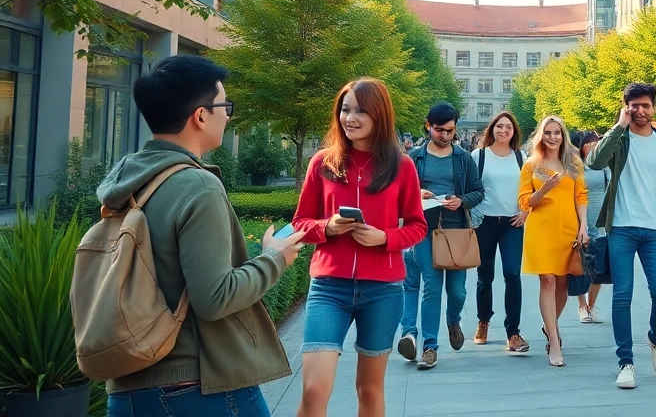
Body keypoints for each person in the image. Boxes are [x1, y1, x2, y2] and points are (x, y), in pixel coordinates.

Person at [97, 55, 302, 417]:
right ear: (201, 115)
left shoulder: (131, 181)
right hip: (196, 388)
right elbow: (215, 297)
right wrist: (275, 257)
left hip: (128, 390)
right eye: (225, 105)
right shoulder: (198, 185)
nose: (227, 115)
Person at [292, 78, 428, 417]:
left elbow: (417, 226)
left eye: (360, 111)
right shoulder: (322, 163)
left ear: (379, 116)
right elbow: (299, 223)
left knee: (369, 389)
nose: (349, 118)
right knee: (313, 390)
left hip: (382, 290)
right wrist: (327, 227)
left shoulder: (402, 165)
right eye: (345, 109)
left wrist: (386, 238)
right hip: (329, 288)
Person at [589, 82, 656, 390]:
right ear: (626, 106)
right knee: (622, 296)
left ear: (654, 107)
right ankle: (625, 362)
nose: (640, 111)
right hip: (622, 227)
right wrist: (619, 126)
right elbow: (595, 161)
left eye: (645, 105)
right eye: (634, 106)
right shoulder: (619, 139)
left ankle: (655, 338)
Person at [397, 102, 484, 370]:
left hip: (456, 228)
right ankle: (430, 347)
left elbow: (478, 191)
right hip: (423, 229)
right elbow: (399, 196)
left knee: (457, 291)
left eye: (449, 130)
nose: (445, 136)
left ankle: (453, 319)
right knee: (432, 288)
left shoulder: (463, 158)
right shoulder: (414, 158)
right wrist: (417, 194)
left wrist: (462, 201)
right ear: (428, 126)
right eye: (439, 130)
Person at [518, 116, 589, 367]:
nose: (552, 137)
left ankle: (550, 325)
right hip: (540, 229)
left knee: (563, 284)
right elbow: (525, 202)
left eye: (557, 133)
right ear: (540, 135)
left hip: (568, 227)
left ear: (563, 135)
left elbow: (581, 196)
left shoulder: (574, 162)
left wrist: (584, 226)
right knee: (547, 281)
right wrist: (544, 189)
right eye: (547, 132)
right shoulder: (531, 165)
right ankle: (555, 342)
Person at [472, 111, 530, 353]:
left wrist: (525, 212)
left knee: (512, 275)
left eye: (508, 127)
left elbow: (530, 189)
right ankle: (483, 321)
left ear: (514, 131)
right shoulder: (479, 156)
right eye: (499, 126)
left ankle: (513, 332)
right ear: (492, 129)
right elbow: (471, 188)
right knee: (485, 277)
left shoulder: (521, 157)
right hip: (485, 222)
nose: (504, 130)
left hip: (512, 224)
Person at [575, 130, 608, 323]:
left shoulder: (603, 165)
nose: (594, 146)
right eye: (590, 143)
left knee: (598, 267)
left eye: (597, 143)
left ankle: (591, 305)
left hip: (601, 221)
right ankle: (581, 306)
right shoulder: (575, 167)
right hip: (581, 221)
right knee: (581, 266)